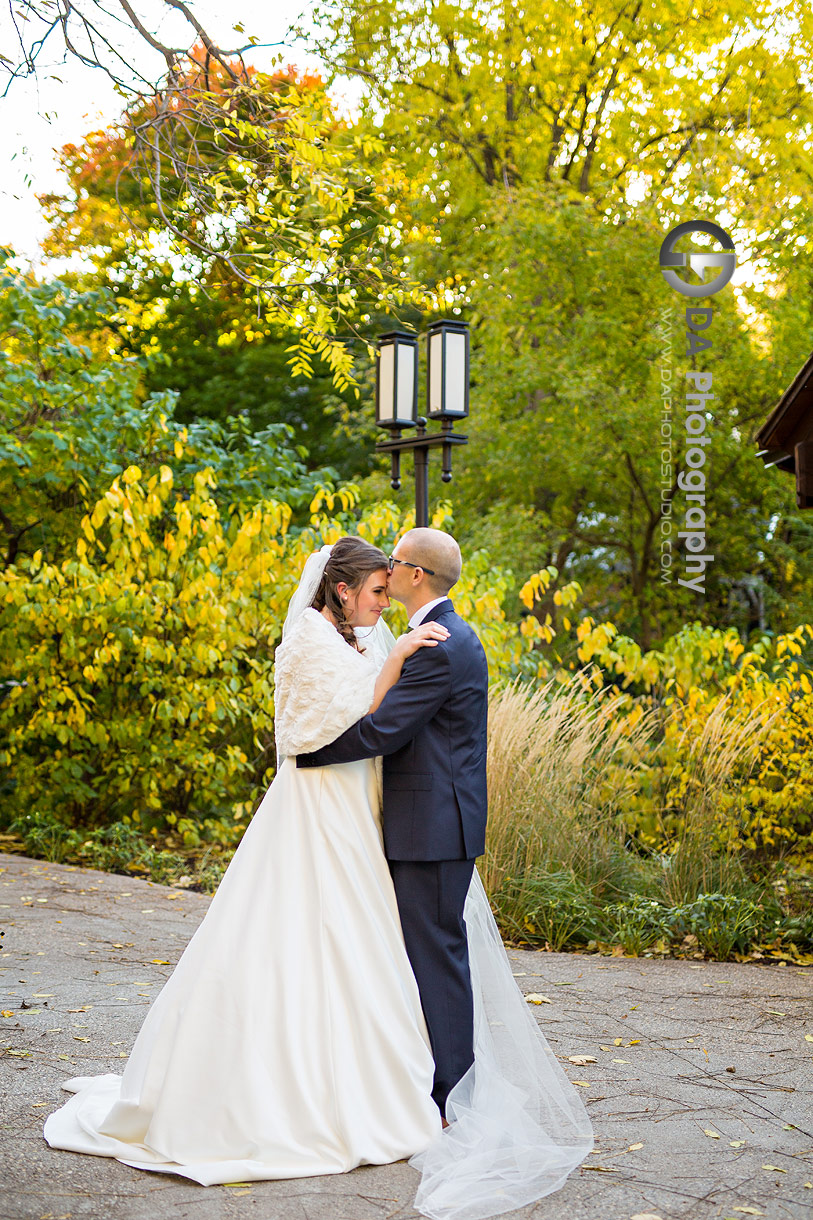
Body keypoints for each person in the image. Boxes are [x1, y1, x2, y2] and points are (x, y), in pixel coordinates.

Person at [43, 533, 593, 1219]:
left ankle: (445, 1090)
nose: (384, 590)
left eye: (392, 578)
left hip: (393, 813)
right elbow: (328, 725)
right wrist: (334, 725)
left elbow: (376, 728)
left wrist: (378, 668)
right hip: (333, 804)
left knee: (409, 949)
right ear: (342, 589)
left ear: (414, 573)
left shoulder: (430, 640)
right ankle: (413, 1088)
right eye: (374, 586)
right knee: (333, 936)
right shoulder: (344, 638)